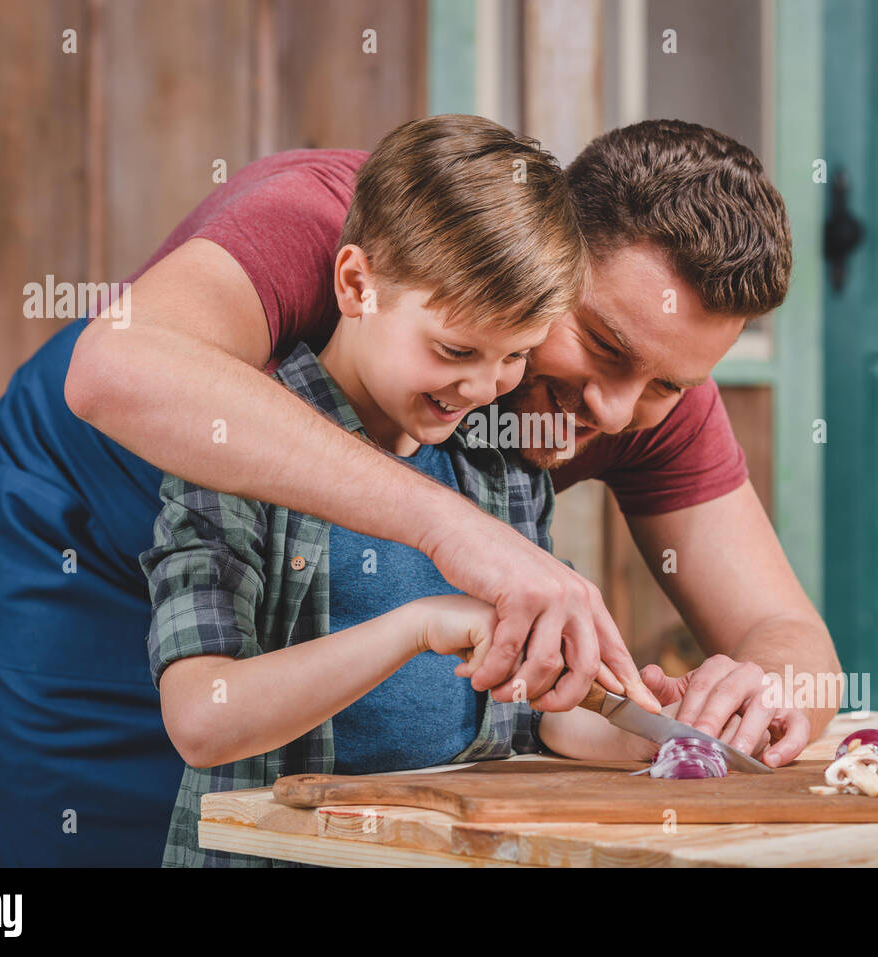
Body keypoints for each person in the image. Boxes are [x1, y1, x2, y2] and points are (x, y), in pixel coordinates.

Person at [0, 116, 842, 867]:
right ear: (545, 252)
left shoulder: (653, 390)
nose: (614, 411)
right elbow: (113, 372)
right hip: (84, 523)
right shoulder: (325, 218)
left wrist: (758, 697)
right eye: (602, 345)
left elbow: (791, 637)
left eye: (666, 384)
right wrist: (453, 534)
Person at [143, 116, 671, 866]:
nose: (481, 386)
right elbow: (202, 718)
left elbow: (534, 717)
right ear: (358, 284)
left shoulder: (502, 462)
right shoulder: (237, 445)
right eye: (455, 349)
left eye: (515, 356)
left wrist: (643, 726)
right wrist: (417, 625)